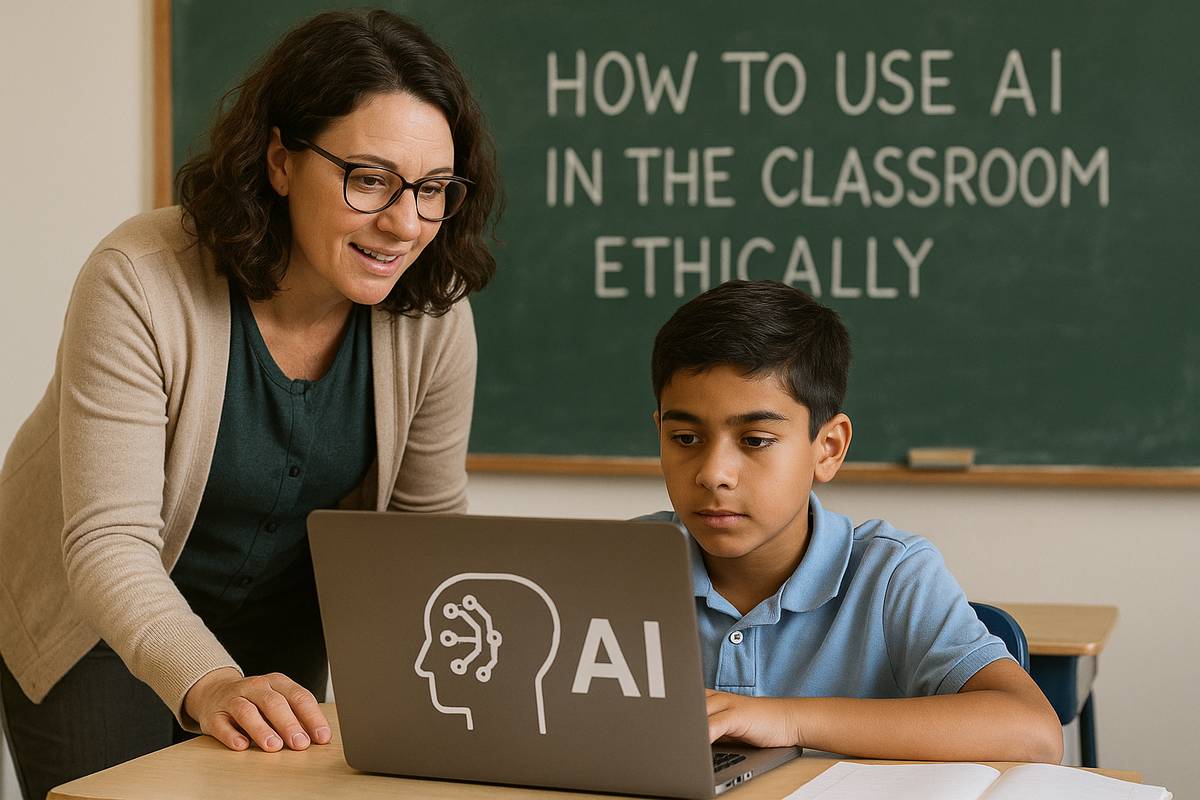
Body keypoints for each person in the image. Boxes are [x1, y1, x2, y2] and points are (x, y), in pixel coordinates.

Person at [0, 10, 499, 799]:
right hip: (92, 619)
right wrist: (210, 681)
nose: (405, 224)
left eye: (433, 189)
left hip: (277, 625)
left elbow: (423, 538)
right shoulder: (139, 278)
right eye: (369, 179)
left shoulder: (433, 315)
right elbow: (108, 543)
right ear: (280, 161)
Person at [640, 280, 1063, 762]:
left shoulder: (890, 575)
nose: (713, 474)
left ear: (828, 448)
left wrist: (787, 719)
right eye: (685, 438)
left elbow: (1033, 733)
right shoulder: (619, 563)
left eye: (755, 440)